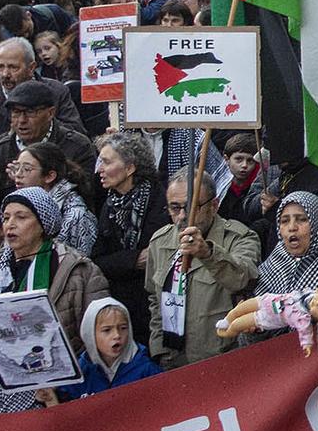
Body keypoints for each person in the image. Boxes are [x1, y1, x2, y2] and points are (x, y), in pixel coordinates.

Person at [0, 187, 110, 348]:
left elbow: (99, 331)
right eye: (6, 218)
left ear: (43, 223)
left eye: (21, 217)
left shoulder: (78, 269)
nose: (10, 224)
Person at [146, 166, 262, 370]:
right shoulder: (160, 241)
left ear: (214, 205)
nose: (182, 216)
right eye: (174, 208)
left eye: (191, 207)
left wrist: (207, 253)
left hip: (221, 360)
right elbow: (154, 300)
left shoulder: (239, 237)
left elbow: (243, 279)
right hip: (174, 362)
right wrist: (158, 349)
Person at [93, 133, 169, 340]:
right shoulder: (109, 204)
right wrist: (133, 259)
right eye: (100, 162)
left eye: (107, 162)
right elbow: (98, 261)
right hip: (120, 303)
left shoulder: (159, 201)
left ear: (130, 168)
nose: (99, 169)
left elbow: (158, 256)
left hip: (152, 306)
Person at [60, 297, 161, 399]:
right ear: (90, 335)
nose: (117, 335)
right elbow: (63, 411)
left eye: (123, 328)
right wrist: (50, 398)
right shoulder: (79, 373)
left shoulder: (147, 370)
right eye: (107, 330)